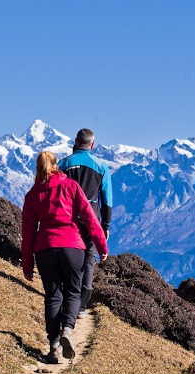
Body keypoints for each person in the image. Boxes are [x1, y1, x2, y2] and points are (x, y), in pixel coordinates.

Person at [21, 151, 108, 363]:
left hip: (44, 248)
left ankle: (53, 347)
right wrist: (101, 245)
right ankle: (67, 330)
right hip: (73, 247)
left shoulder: (33, 194)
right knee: (72, 292)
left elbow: (28, 231)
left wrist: (27, 263)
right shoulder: (70, 186)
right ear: (56, 166)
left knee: (53, 296)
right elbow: (89, 216)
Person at [58, 128, 112, 317]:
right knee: (89, 260)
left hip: (67, 219)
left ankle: (68, 297)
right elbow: (107, 199)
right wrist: (105, 226)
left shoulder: (62, 164)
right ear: (92, 145)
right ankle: (82, 304)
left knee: (69, 257)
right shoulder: (102, 166)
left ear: (75, 142)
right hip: (92, 219)